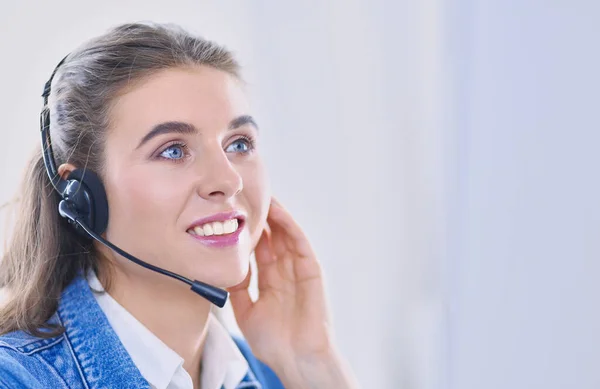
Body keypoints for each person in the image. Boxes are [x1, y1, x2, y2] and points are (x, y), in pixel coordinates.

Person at [0, 22, 359, 389]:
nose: (228, 180)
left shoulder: (273, 372)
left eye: (238, 144)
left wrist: (310, 364)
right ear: (81, 197)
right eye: (173, 151)